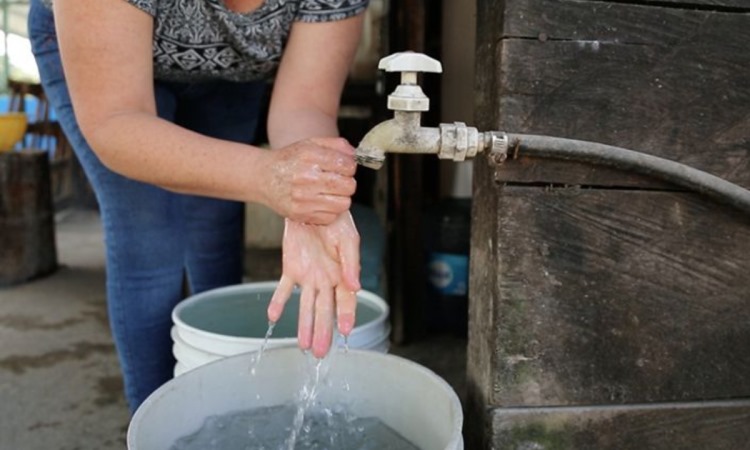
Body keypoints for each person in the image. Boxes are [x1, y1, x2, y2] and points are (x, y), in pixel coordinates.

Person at [29, 0, 369, 413]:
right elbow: (117, 119)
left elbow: (305, 107)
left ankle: (224, 407)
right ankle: (157, 423)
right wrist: (267, 177)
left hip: (230, 69)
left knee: (215, 223)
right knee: (149, 234)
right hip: (105, 60)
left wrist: (316, 195)